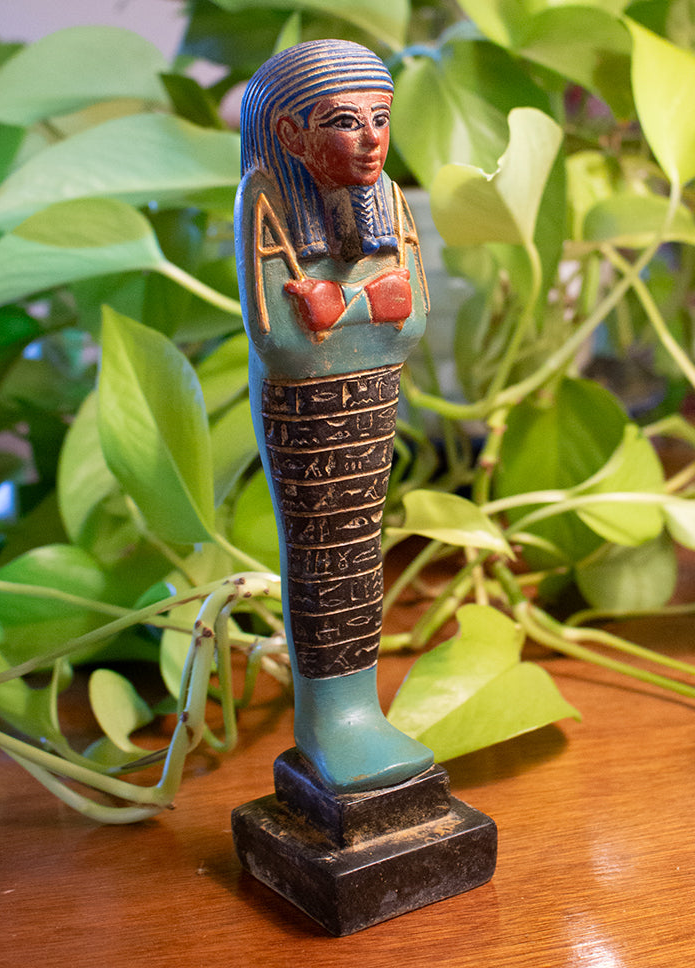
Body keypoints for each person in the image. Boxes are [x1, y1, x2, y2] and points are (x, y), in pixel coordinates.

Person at [235, 39, 434, 793]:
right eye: (344, 122)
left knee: (363, 552)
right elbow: (283, 341)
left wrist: (338, 307)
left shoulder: (388, 199)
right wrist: (366, 305)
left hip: (371, 399)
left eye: (380, 119)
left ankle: (361, 712)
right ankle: (329, 724)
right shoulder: (267, 199)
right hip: (306, 411)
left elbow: (409, 324)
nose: (371, 138)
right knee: (324, 557)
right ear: (290, 137)